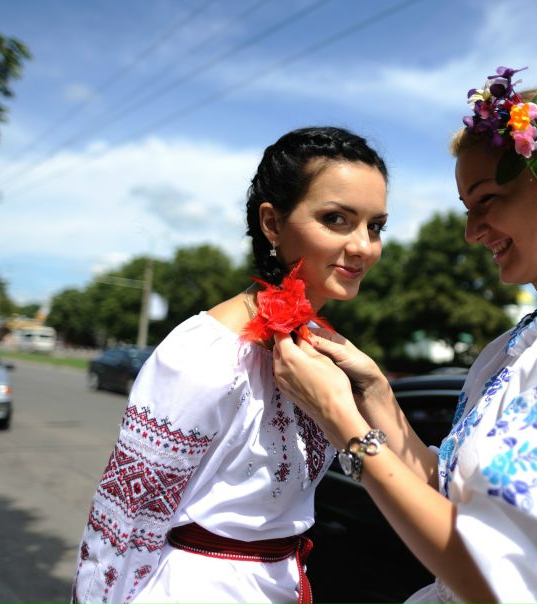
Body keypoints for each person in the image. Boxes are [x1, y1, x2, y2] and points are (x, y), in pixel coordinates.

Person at [271, 67, 537, 604]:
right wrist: (376, 394)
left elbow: (505, 577)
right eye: (468, 209)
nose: (473, 232)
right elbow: (450, 503)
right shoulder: (522, 342)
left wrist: (342, 425)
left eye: (488, 201)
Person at [71, 126, 389, 604]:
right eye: (336, 219)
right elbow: (125, 521)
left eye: (376, 226)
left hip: (284, 580)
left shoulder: (325, 348)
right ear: (271, 223)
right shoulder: (203, 352)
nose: (364, 246)